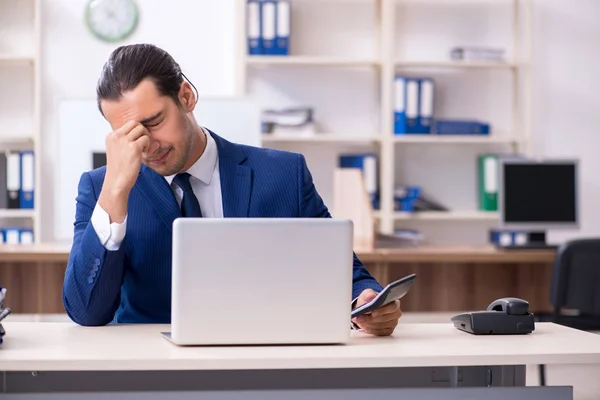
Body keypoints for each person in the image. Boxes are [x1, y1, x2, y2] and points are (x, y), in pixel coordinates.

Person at [62, 44, 402, 335]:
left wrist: (367, 300)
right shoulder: (100, 189)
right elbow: (86, 312)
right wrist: (115, 193)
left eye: (153, 123)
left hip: (263, 363)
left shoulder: (283, 173)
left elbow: (344, 270)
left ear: (186, 96)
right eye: (130, 134)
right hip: (154, 373)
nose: (147, 145)